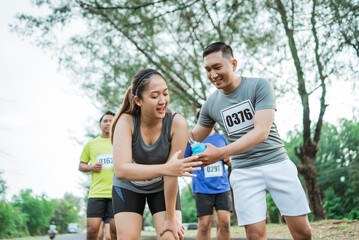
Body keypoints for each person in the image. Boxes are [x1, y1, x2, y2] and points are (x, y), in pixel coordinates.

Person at [188, 42, 312, 240]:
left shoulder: (259, 86)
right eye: (208, 69)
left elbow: (261, 132)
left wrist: (220, 153)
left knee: (303, 232)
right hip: (244, 172)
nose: (212, 75)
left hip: (276, 163)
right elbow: (192, 138)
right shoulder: (210, 104)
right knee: (254, 235)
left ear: (234, 64)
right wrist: (167, 122)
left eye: (217, 67)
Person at [110, 68, 202, 240]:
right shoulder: (126, 121)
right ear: (138, 100)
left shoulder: (178, 123)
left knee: (170, 236)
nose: (163, 101)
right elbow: (122, 170)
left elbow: (171, 175)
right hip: (128, 185)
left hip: (162, 186)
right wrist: (167, 168)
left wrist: (170, 219)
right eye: (154, 96)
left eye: (165, 94)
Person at [184, 111, 232, 240]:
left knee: (225, 223)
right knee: (204, 225)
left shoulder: (222, 138)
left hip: (222, 187)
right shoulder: (192, 141)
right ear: (198, 122)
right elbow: (185, 163)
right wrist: (195, 165)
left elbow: (229, 160)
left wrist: (228, 160)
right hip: (202, 188)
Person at [79, 111, 117, 240]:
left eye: (111, 121)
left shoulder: (121, 142)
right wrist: (91, 167)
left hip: (116, 192)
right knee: (92, 231)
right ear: (100, 125)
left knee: (115, 233)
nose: (108, 123)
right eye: (105, 121)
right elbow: (81, 165)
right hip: (96, 193)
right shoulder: (91, 144)